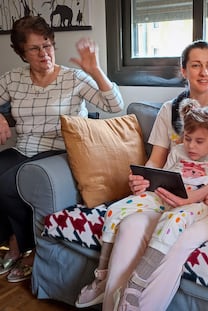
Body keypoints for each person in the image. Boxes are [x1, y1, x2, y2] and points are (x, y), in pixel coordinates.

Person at [75, 40, 208, 310]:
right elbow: (157, 160)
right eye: (196, 65)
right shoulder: (170, 110)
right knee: (130, 226)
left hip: (206, 203)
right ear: (183, 71)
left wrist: (194, 197)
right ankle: (111, 302)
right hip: (169, 195)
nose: (204, 72)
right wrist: (144, 180)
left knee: (176, 242)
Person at [0, 16, 124, 283]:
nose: (43, 53)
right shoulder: (12, 79)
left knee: (10, 184)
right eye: (34, 48)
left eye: (47, 45)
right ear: (22, 52)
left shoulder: (73, 78)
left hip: (58, 151)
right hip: (25, 148)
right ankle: (13, 236)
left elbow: (115, 105)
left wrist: (96, 70)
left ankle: (21, 244)